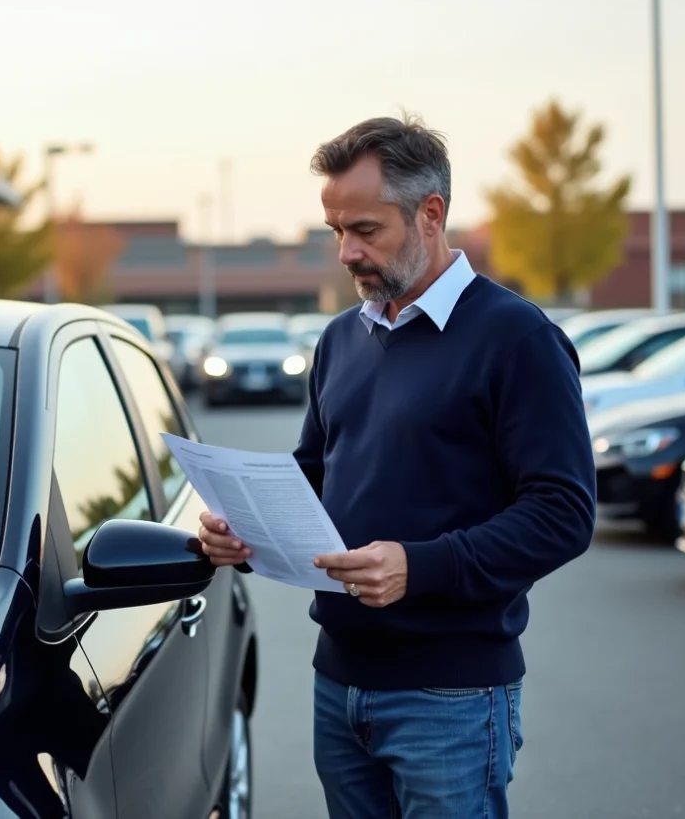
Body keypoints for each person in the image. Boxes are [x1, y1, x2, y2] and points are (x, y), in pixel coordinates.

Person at [197, 114, 596, 819]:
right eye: (336, 231)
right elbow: (316, 473)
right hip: (339, 683)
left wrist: (419, 565)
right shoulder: (340, 340)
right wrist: (243, 529)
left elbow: (563, 513)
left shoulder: (518, 339)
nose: (347, 252)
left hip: (454, 696)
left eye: (366, 230)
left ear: (431, 214)